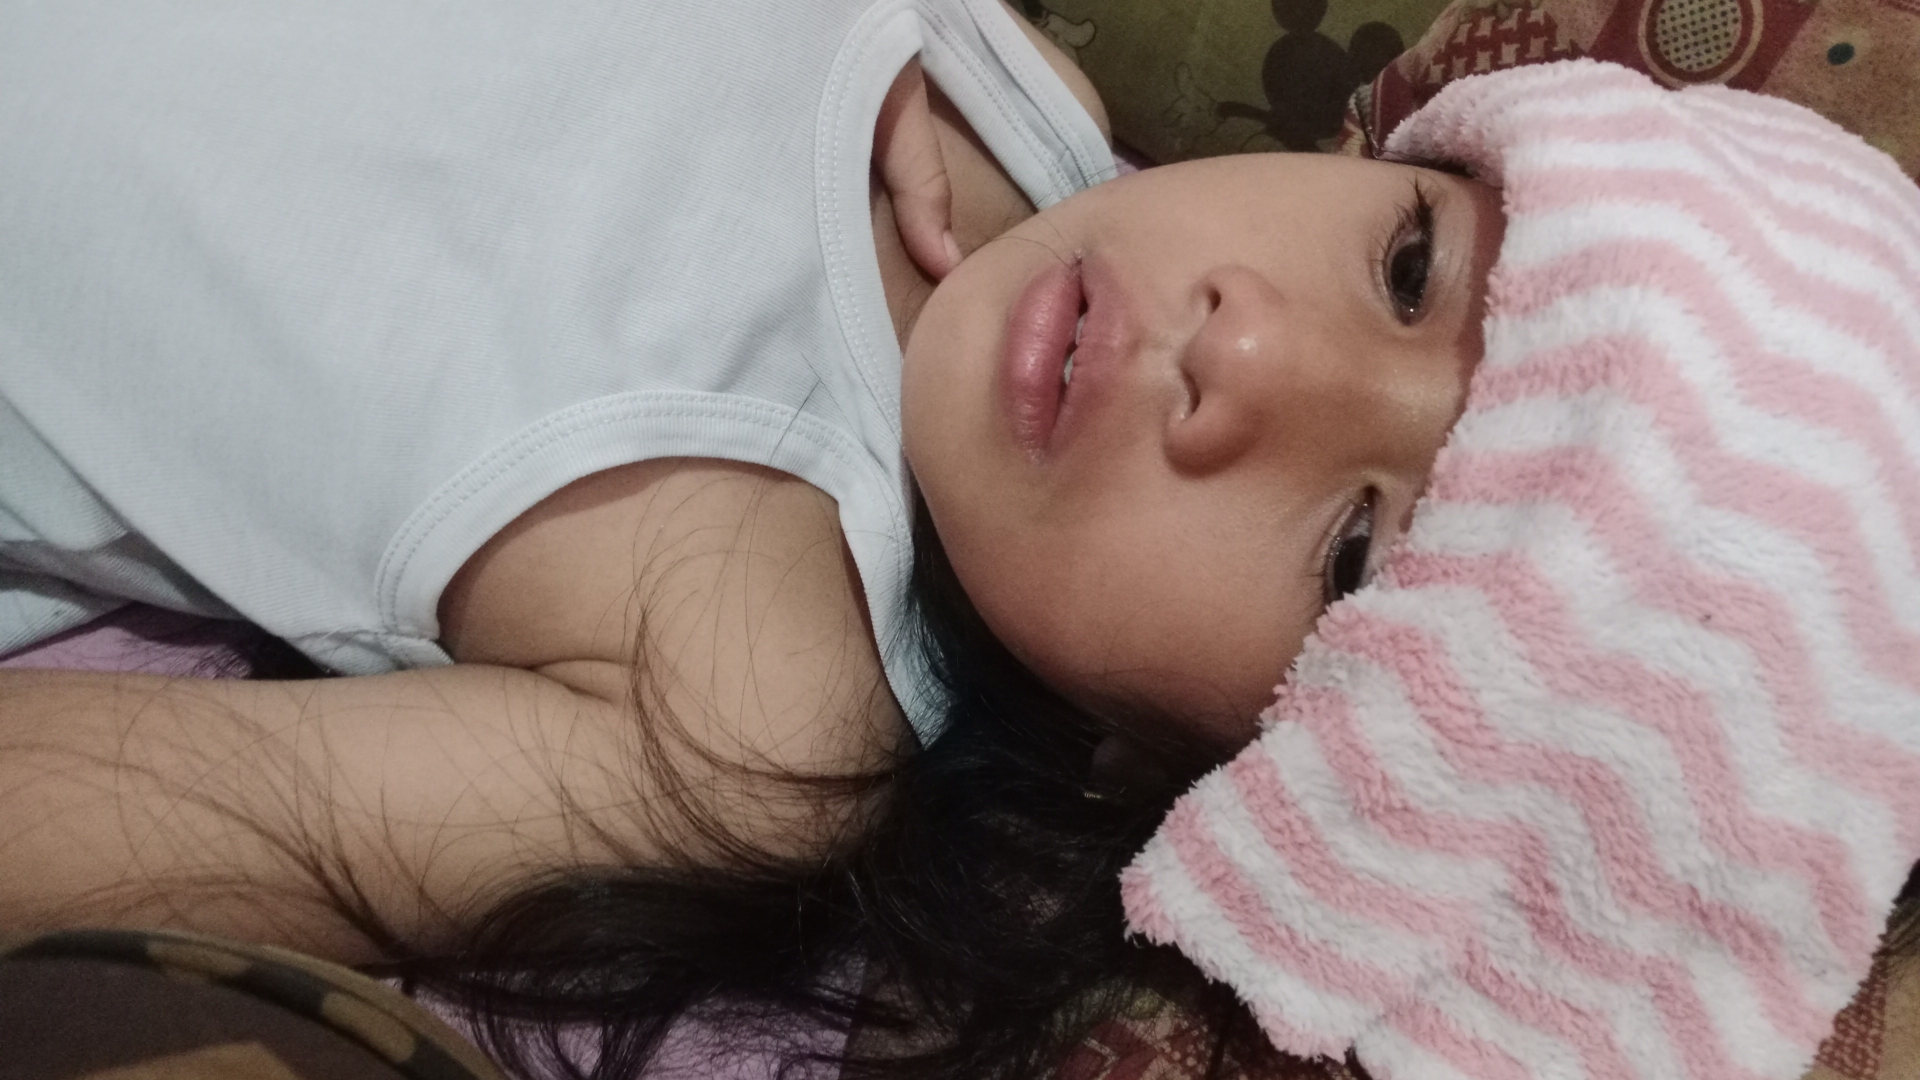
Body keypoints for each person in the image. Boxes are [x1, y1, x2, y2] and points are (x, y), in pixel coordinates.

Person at [0, 0, 1501, 1076]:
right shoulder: (1019, 85)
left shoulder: (756, 722)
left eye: (1350, 558)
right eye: (1410, 261)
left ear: (1196, 774)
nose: (1250, 352)